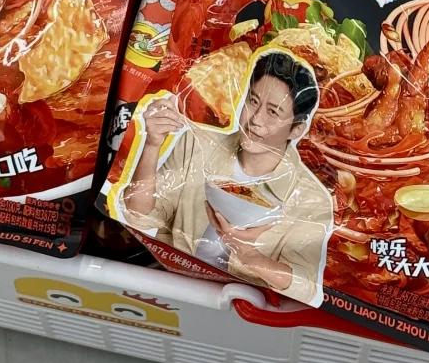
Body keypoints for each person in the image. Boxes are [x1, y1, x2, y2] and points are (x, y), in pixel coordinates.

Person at [117, 49, 333, 304]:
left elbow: (305, 286)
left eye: (273, 113)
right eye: (253, 102)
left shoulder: (311, 199)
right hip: (171, 286)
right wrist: (152, 144)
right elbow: (139, 216)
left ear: (296, 129)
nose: (256, 119)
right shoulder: (196, 145)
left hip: (244, 307)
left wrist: (250, 256)